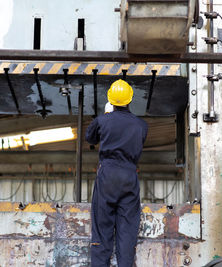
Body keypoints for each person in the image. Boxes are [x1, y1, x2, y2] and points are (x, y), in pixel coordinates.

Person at [86, 79, 148, 267]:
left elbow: (90, 137)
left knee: (102, 229)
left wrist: (106, 115)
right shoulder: (141, 125)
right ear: (130, 100)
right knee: (127, 231)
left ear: (110, 100)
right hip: (129, 176)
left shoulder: (103, 120)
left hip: (108, 176)